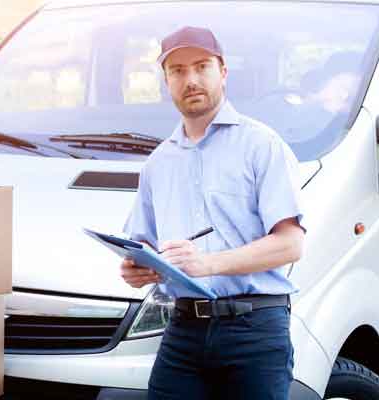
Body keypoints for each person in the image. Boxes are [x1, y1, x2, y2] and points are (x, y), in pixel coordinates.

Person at [120, 26, 306, 399]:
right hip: (183, 329)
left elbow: (290, 245)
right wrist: (137, 268)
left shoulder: (261, 145)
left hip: (254, 327)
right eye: (177, 71)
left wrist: (208, 263)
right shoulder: (158, 163)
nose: (190, 80)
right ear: (166, 81)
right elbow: (142, 242)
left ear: (222, 72)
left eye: (201, 66)